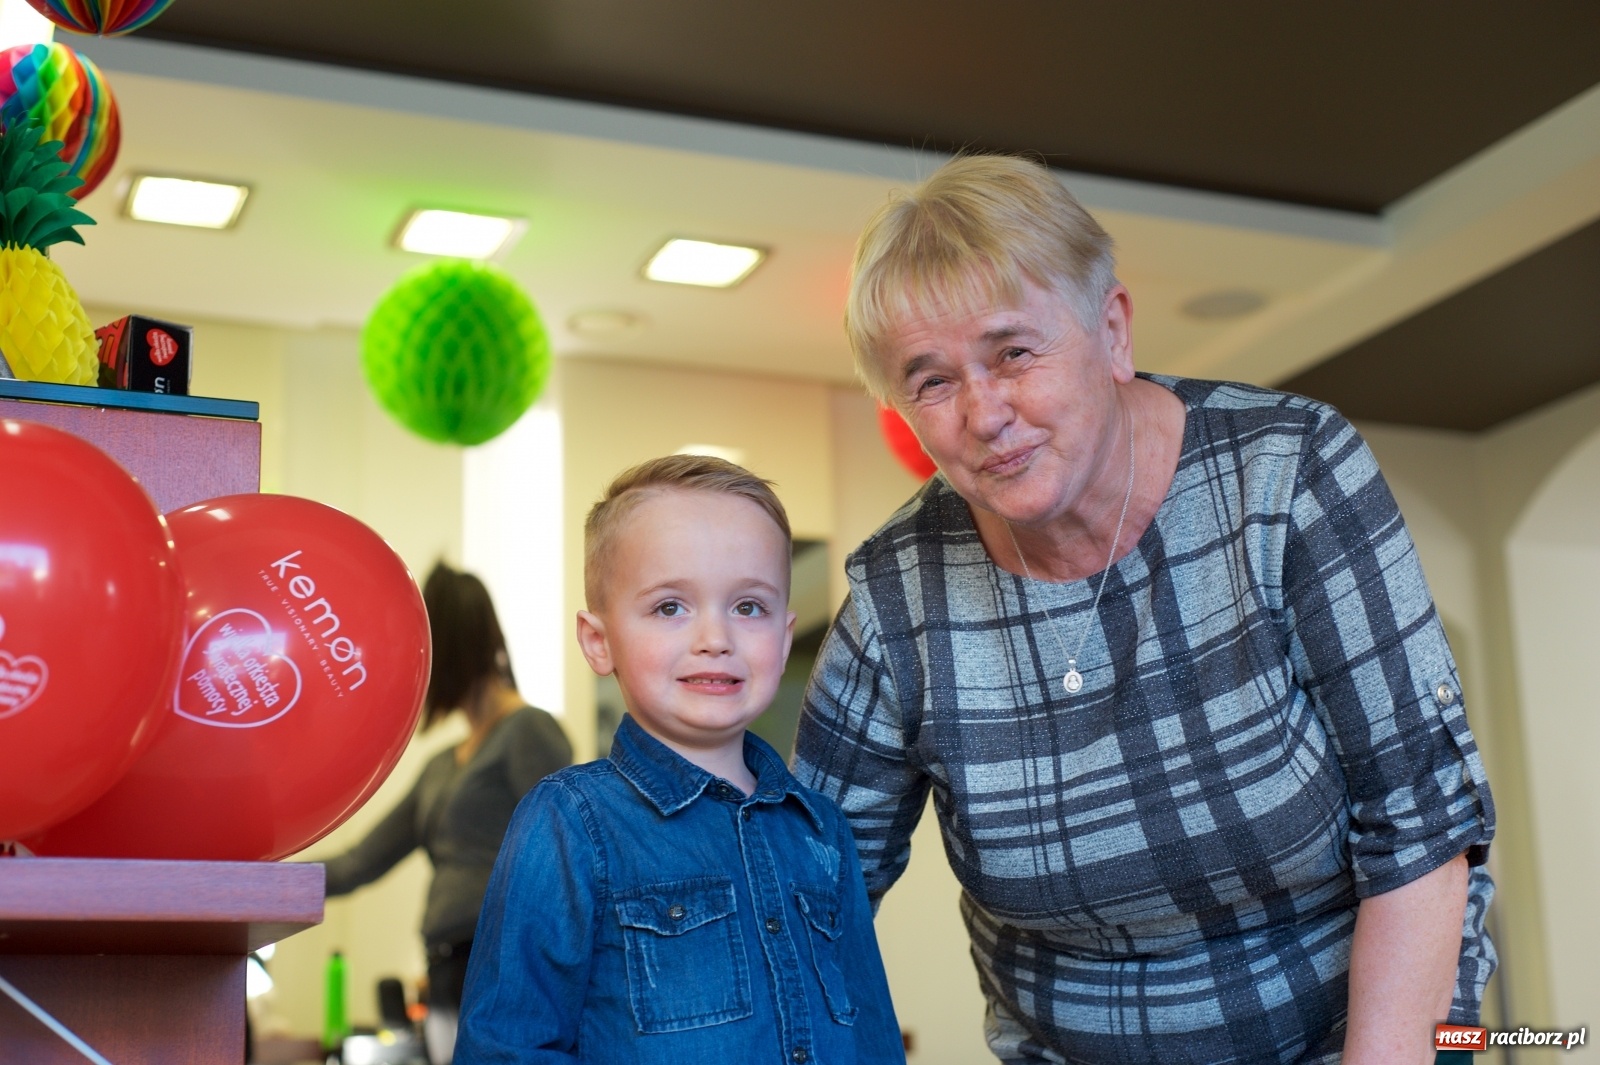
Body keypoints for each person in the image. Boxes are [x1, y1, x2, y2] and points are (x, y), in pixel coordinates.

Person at [794, 154, 1496, 1065]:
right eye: (930, 380)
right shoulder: (898, 597)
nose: (984, 412)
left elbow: (1422, 830)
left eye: (1013, 351)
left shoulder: (1288, 474)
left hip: (1374, 1031)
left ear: (1113, 330)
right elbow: (805, 897)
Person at [454, 455, 906, 1064]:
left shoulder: (822, 830)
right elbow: (505, 1050)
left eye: (749, 607)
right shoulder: (568, 824)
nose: (715, 638)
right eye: (671, 607)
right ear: (599, 641)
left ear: (783, 633)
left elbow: (873, 1040)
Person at [323, 562, 573, 1064]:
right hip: (444, 969)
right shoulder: (442, 766)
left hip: (503, 967)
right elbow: (358, 862)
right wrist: (258, 881)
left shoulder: (528, 732)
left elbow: (568, 861)